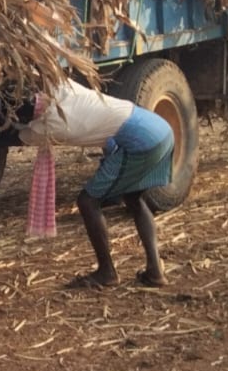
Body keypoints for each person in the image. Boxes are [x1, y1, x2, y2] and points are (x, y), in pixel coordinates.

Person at [16, 78, 173, 289]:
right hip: (159, 128)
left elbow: (26, 135)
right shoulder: (65, 89)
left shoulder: (53, 123)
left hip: (140, 140)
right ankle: (155, 272)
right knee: (134, 197)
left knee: (88, 201)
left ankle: (106, 272)